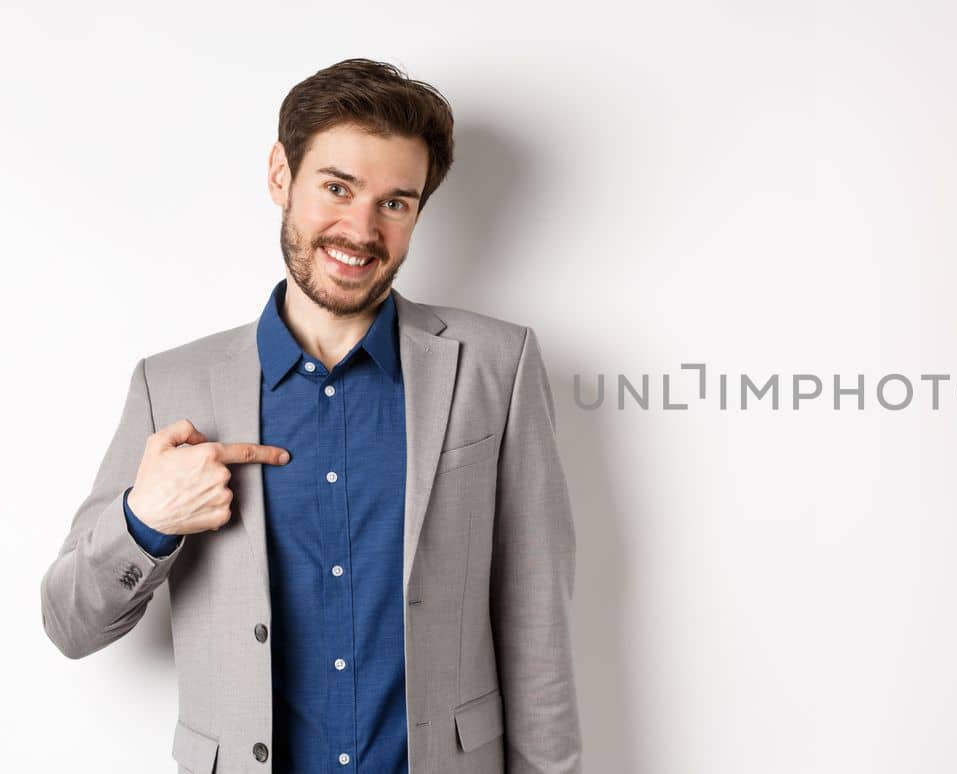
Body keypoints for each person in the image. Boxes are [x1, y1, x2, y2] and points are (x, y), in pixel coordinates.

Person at [39, 58, 581, 774]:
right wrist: (148, 518)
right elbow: (70, 625)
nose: (359, 231)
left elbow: (537, 622)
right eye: (337, 187)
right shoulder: (169, 386)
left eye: (395, 203)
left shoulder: (495, 366)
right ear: (280, 177)